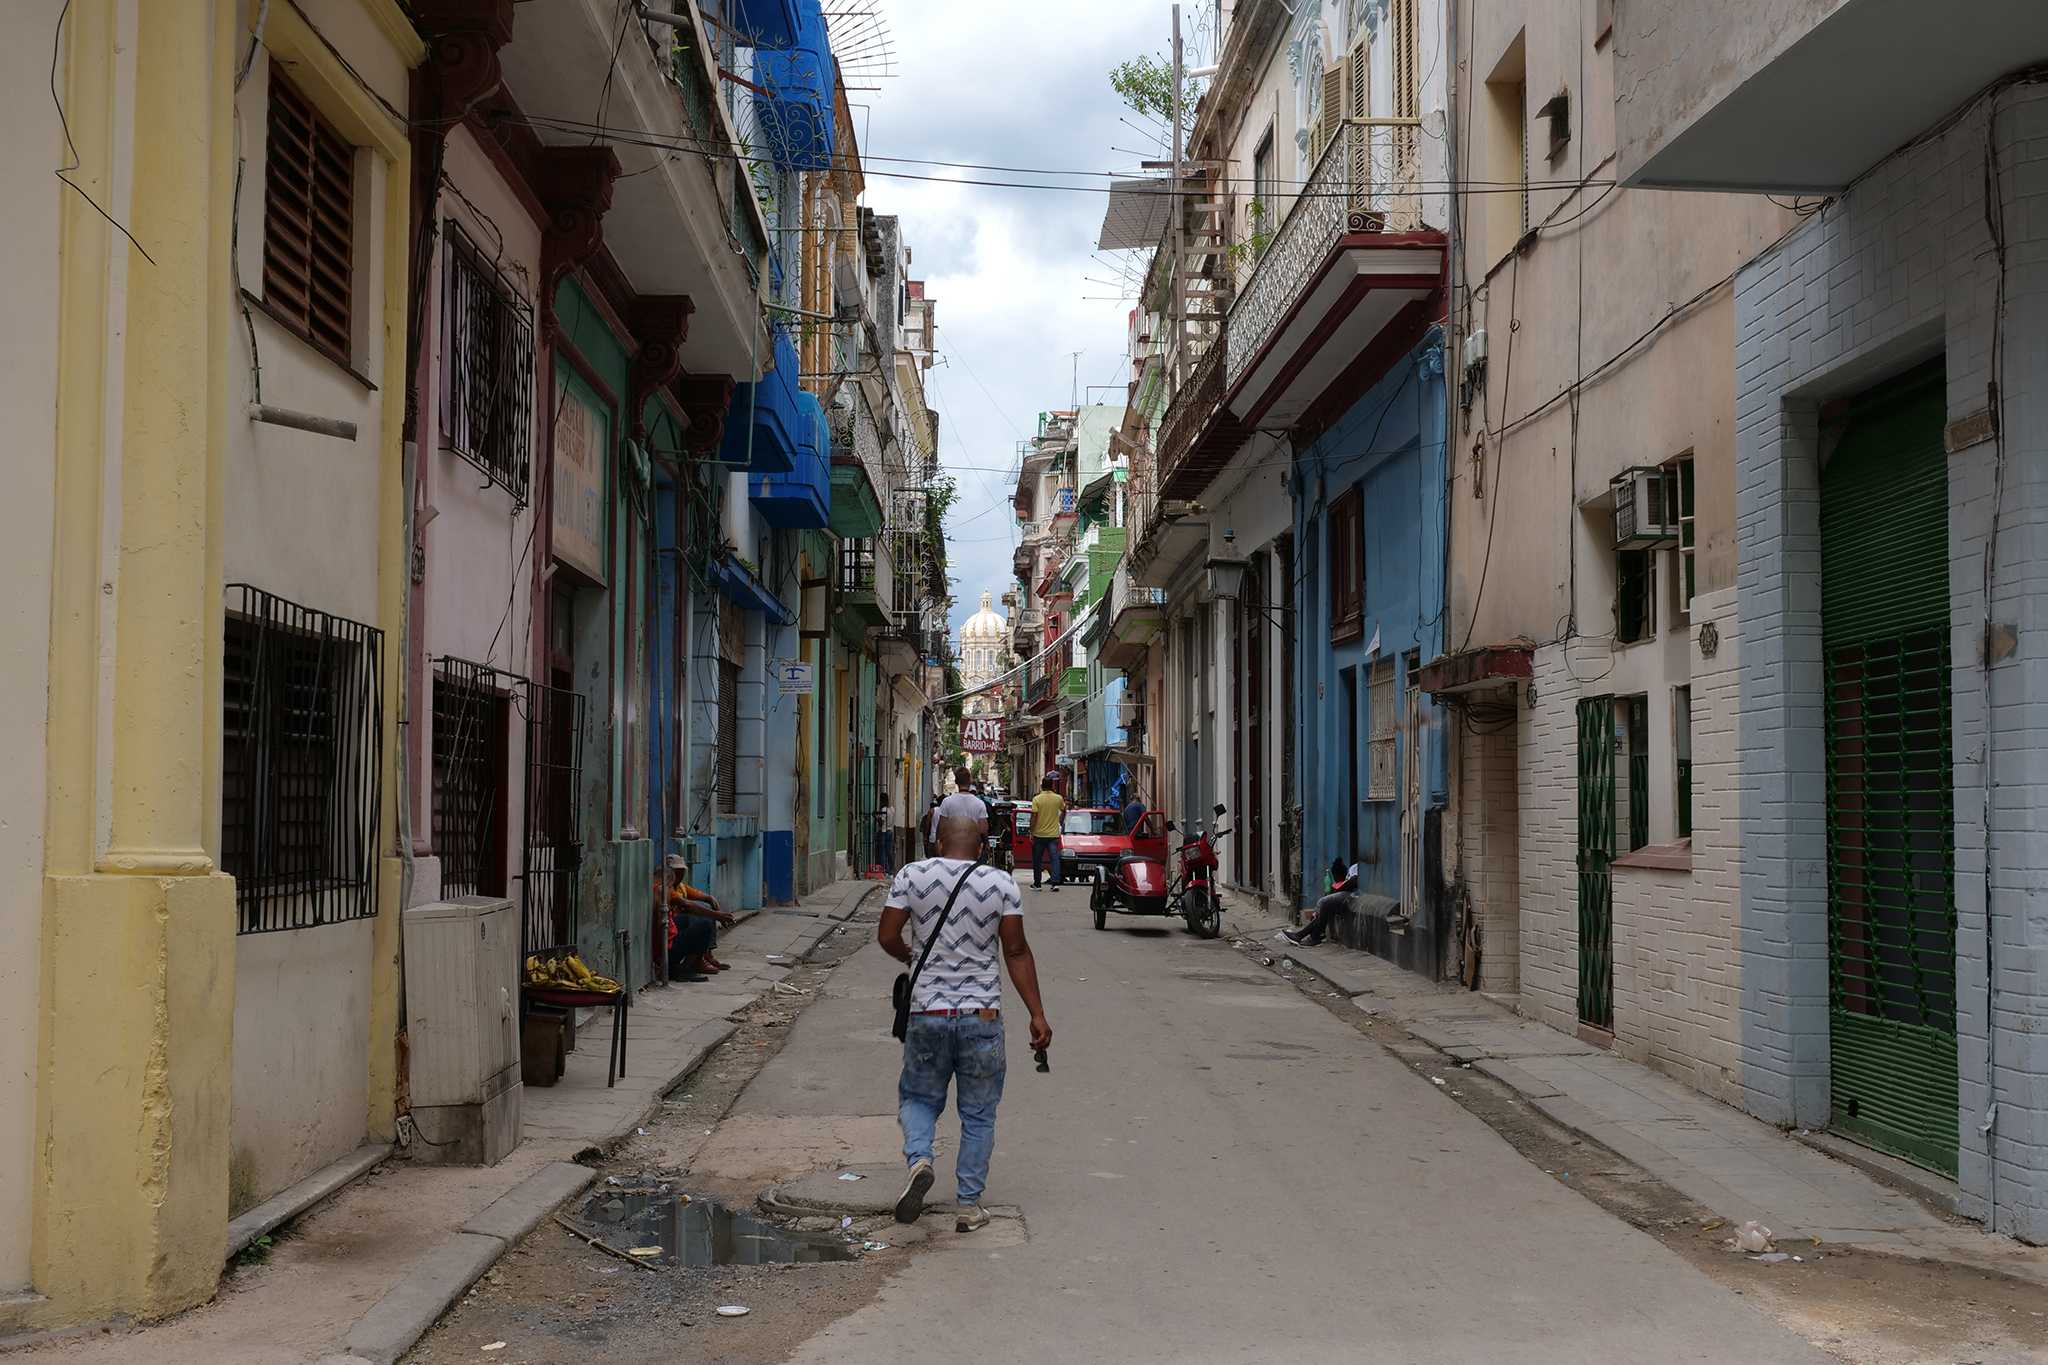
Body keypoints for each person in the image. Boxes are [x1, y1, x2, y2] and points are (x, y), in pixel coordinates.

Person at [878, 813, 1050, 1233]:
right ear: (980, 847)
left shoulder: (910, 876)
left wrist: (912, 958)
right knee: (978, 1113)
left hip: (927, 1013)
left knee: (918, 1097)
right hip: (982, 1015)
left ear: (938, 843)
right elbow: (1016, 951)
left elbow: (887, 936)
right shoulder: (1001, 883)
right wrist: (1037, 1014)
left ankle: (920, 1158)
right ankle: (969, 1206)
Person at [662, 854, 735, 979]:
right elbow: (688, 905)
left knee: (706, 914)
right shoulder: (667, 890)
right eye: (676, 871)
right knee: (703, 920)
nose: (679, 875)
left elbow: (707, 898)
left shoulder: (681, 887)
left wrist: (715, 909)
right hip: (671, 933)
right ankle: (692, 963)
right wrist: (717, 915)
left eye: (681, 871)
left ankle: (706, 955)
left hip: (677, 928)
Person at [1283, 857, 1360, 947]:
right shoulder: (1354, 866)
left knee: (1324, 902)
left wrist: (1345, 885)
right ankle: (1308, 935)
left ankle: (1309, 936)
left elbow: (1354, 882)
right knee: (1324, 906)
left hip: (1354, 894)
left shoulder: (1362, 868)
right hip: (1346, 892)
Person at [1028, 775, 1065, 890]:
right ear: (1052, 786)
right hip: (1053, 835)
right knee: (1054, 859)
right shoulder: (1058, 798)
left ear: (1042, 786)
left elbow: (1034, 817)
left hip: (1039, 835)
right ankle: (1055, 883)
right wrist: (1060, 822)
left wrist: (1031, 831)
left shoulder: (1037, 799)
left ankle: (1037, 884)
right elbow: (1064, 810)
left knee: (1037, 860)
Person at [938, 765, 989, 833]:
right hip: (972, 842)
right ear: (970, 781)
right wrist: (986, 843)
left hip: (952, 842)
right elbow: (983, 830)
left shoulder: (946, 802)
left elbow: (941, 829)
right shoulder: (980, 803)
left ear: (956, 781)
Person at [878, 794, 896, 874]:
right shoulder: (892, 809)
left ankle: (883, 869)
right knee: (889, 851)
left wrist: (877, 818)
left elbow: (881, 822)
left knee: (883, 851)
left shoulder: (884, 809)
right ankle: (891, 868)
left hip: (884, 831)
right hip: (890, 831)